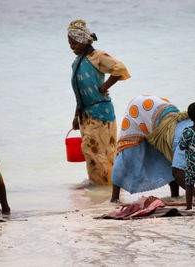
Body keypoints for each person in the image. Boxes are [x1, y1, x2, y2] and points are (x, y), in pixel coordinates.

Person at [111, 95, 195, 202]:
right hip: (138, 110)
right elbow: (177, 172)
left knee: (172, 157)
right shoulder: (186, 138)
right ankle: (114, 198)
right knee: (127, 154)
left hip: (159, 109)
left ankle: (175, 196)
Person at [68, 19, 130, 186]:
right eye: (70, 43)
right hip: (85, 114)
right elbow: (79, 92)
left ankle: (100, 189)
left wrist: (104, 87)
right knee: (97, 152)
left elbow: (120, 68)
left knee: (94, 152)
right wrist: (76, 116)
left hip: (100, 113)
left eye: (75, 42)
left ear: (83, 40)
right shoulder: (76, 63)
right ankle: (107, 186)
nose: (72, 46)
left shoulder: (97, 56)